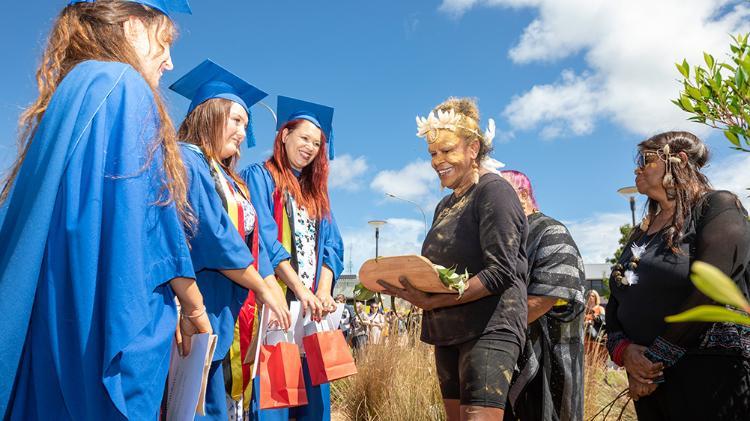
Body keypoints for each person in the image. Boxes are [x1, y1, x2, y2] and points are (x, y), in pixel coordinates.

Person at [0, 1, 212, 419]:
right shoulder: (124, 85)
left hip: (51, 327)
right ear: (133, 28)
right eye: (165, 42)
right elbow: (144, 227)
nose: (169, 62)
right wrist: (193, 307)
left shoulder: (73, 90)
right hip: (93, 338)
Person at [379, 97, 528, 420]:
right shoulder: (444, 206)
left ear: (473, 148)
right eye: (433, 153)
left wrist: (435, 302)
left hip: (489, 327)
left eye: (447, 151)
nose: (438, 161)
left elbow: (501, 271)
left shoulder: (494, 192)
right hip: (447, 330)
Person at [169, 60, 292, 420]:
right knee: (192, 404)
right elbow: (214, 233)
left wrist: (268, 284)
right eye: (236, 120)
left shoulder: (230, 179)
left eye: (246, 124)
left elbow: (255, 244)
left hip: (228, 312)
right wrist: (264, 288)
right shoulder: (185, 160)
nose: (242, 132)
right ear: (209, 114)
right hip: (196, 306)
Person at [606, 131, 750, 420]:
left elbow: (711, 288)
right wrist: (625, 352)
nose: (637, 169)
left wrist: (653, 361)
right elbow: (617, 298)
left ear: (680, 161)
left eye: (646, 160)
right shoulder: (642, 232)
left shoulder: (717, 207)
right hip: (650, 382)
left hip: (710, 374)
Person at [242, 96, 345, 420]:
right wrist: (301, 291)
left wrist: (323, 291)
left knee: (316, 405)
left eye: (316, 143)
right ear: (284, 135)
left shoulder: (316, 192)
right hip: (280, 309)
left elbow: (332, 245)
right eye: (304, 138)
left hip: (313, 315)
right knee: (278, 401)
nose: (310, 147)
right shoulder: (261, 176)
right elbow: (266, 239)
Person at [501, 170, 586, 421]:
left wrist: (492, 328)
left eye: (501, 195)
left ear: (523, 194)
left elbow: (546, 298)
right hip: (509, 358)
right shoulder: (506, 239)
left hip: (551, 361)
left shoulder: (551, 231)